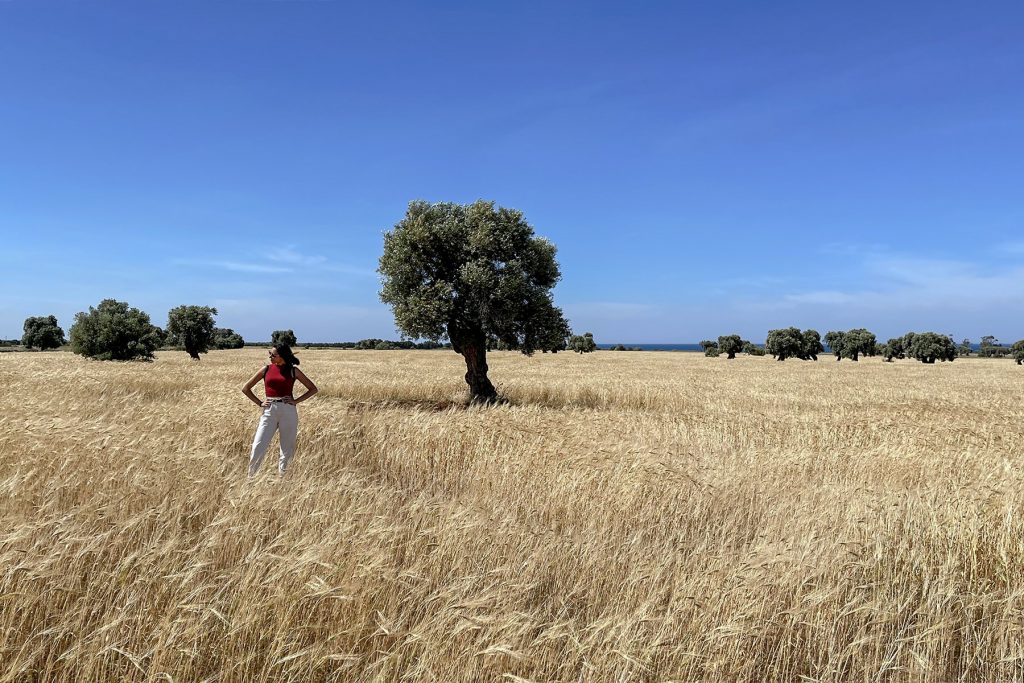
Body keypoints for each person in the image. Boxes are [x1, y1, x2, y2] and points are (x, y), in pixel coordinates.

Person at [241, 343, 318, 476]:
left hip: (288, 411)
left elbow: (313, 389)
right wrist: (260, 403)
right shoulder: (266, 369)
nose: (270, 356)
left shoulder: (294, 371)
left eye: (273, 354)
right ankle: (251, 478)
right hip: (269, 410)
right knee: (258, 446)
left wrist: (296, 401)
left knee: (287, 448)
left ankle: (283, 481)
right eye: (269, 354)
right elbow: (246, 388)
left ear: (282, 356)